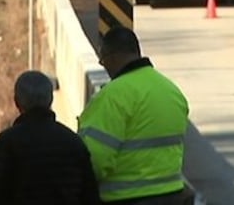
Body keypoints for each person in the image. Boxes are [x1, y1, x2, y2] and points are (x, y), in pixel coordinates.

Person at [78, 27, 191, 204]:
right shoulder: (171, 91)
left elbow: (95, 160)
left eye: (103, 60)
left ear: (113, 57)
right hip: (173, 194)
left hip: (126, 198)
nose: (103, 65)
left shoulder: (113, 96)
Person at [0, 70, 101, 205]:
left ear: (17, 102)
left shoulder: (5, 144)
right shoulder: (73, 143)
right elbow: (89, 196)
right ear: (50, 99)